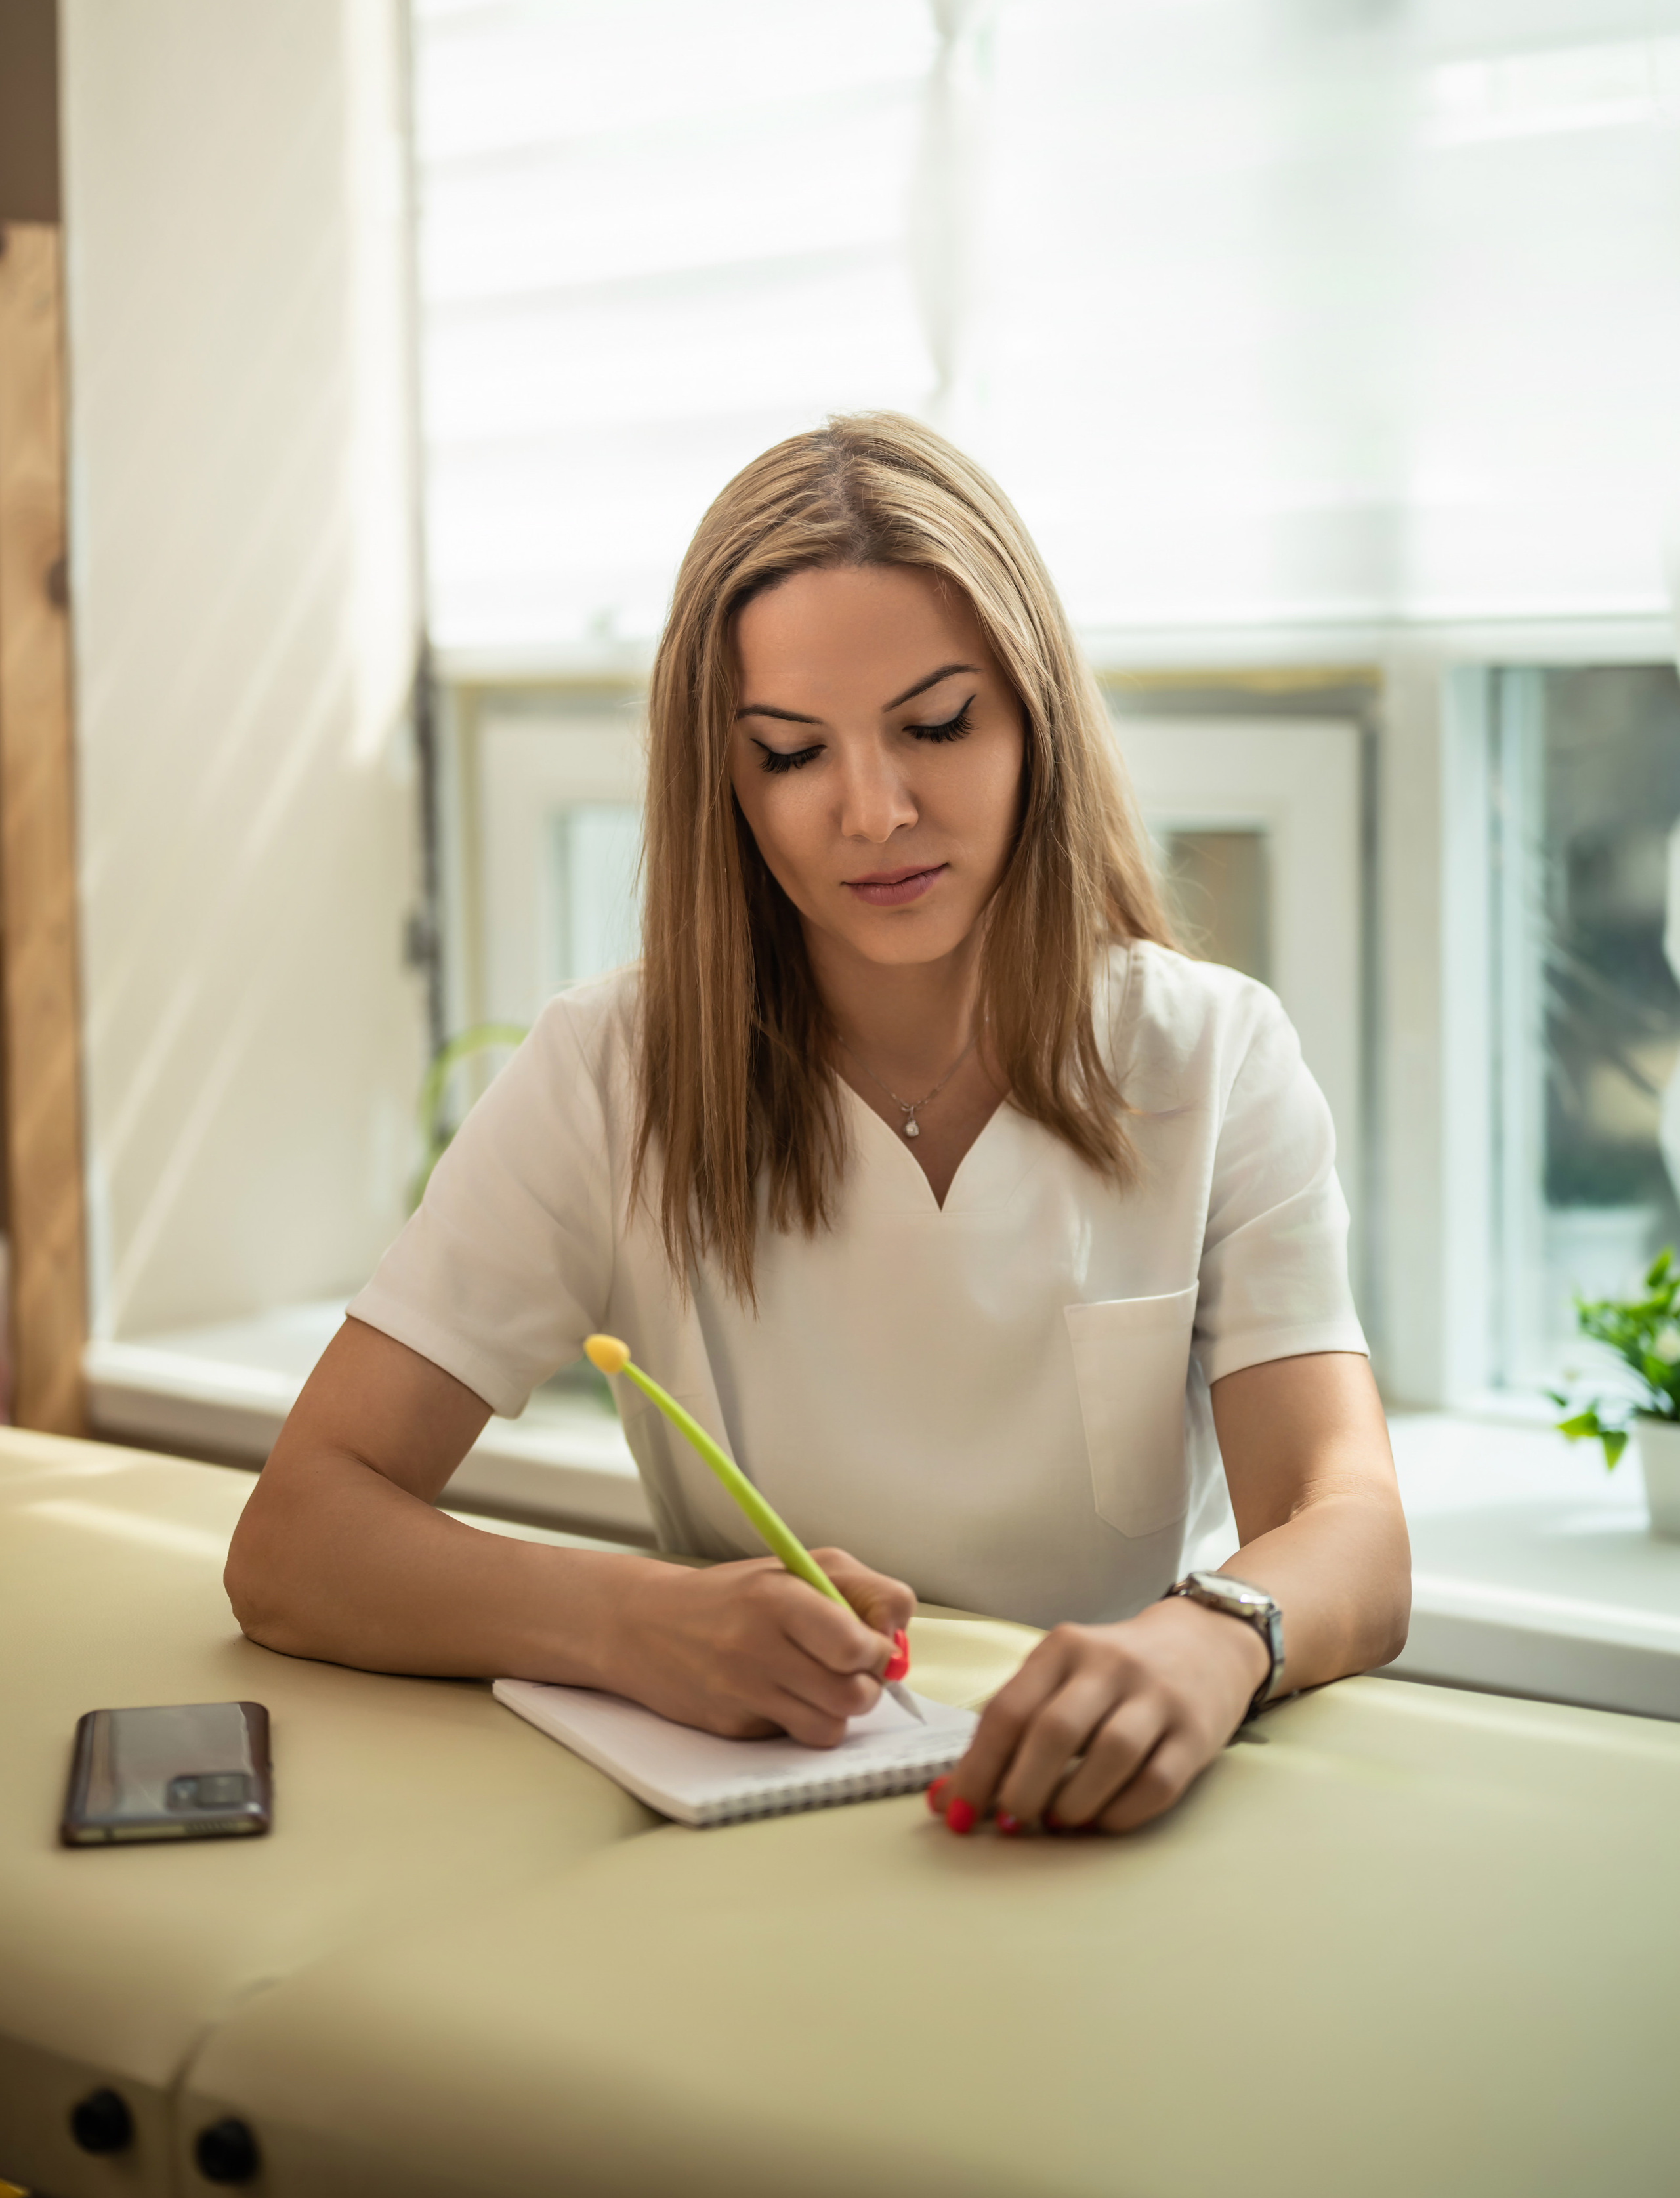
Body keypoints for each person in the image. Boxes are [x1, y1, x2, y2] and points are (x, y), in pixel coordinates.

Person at [226, 413, 1409, 1837]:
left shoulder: (1210, 1056)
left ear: (1033, 717)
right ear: (722, 781)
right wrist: (633, 1621)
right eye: (790, 752)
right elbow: (297, 1540)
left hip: (1089, 1820)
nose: (872, 811)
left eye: (935, 725)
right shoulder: (607, 1072)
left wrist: (1211, 1637)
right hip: (752, 1828)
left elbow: (1351, 1527)